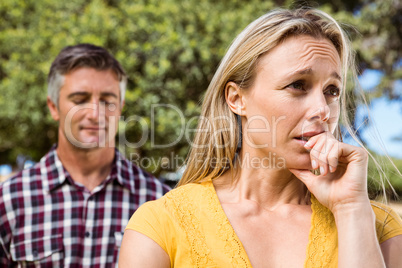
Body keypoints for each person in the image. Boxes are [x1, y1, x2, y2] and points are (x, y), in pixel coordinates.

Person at [119, 8, 402, 267]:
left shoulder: (379, 228)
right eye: (298, 85)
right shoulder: (161, 226)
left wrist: (351, 209)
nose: (322, 110)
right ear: (237, 99)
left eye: (332, 90)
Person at [0, 44, 171, 267]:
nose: (95, 114)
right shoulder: (9, 201)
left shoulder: (159, 203)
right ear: (53, 107)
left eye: (107, 101)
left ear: (120, 107)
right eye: (80, 99)